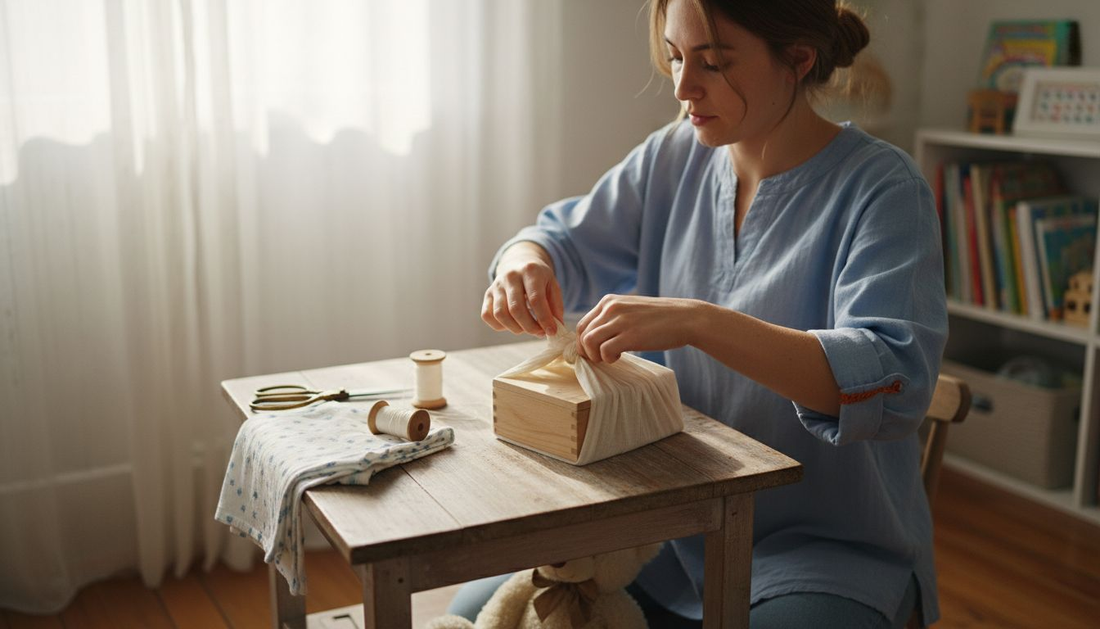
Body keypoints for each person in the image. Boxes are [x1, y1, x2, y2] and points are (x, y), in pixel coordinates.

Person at [459, 0, 947, 627]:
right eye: (675, 57)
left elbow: (895, 379)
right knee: (477, 613)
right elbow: (559, 240)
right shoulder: (673, 158)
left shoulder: (883, 191)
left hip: (822, 553)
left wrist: (699, 321)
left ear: (797, 58)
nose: (684, 87)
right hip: (657, 533)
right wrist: (523, 265)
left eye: (713, 64)